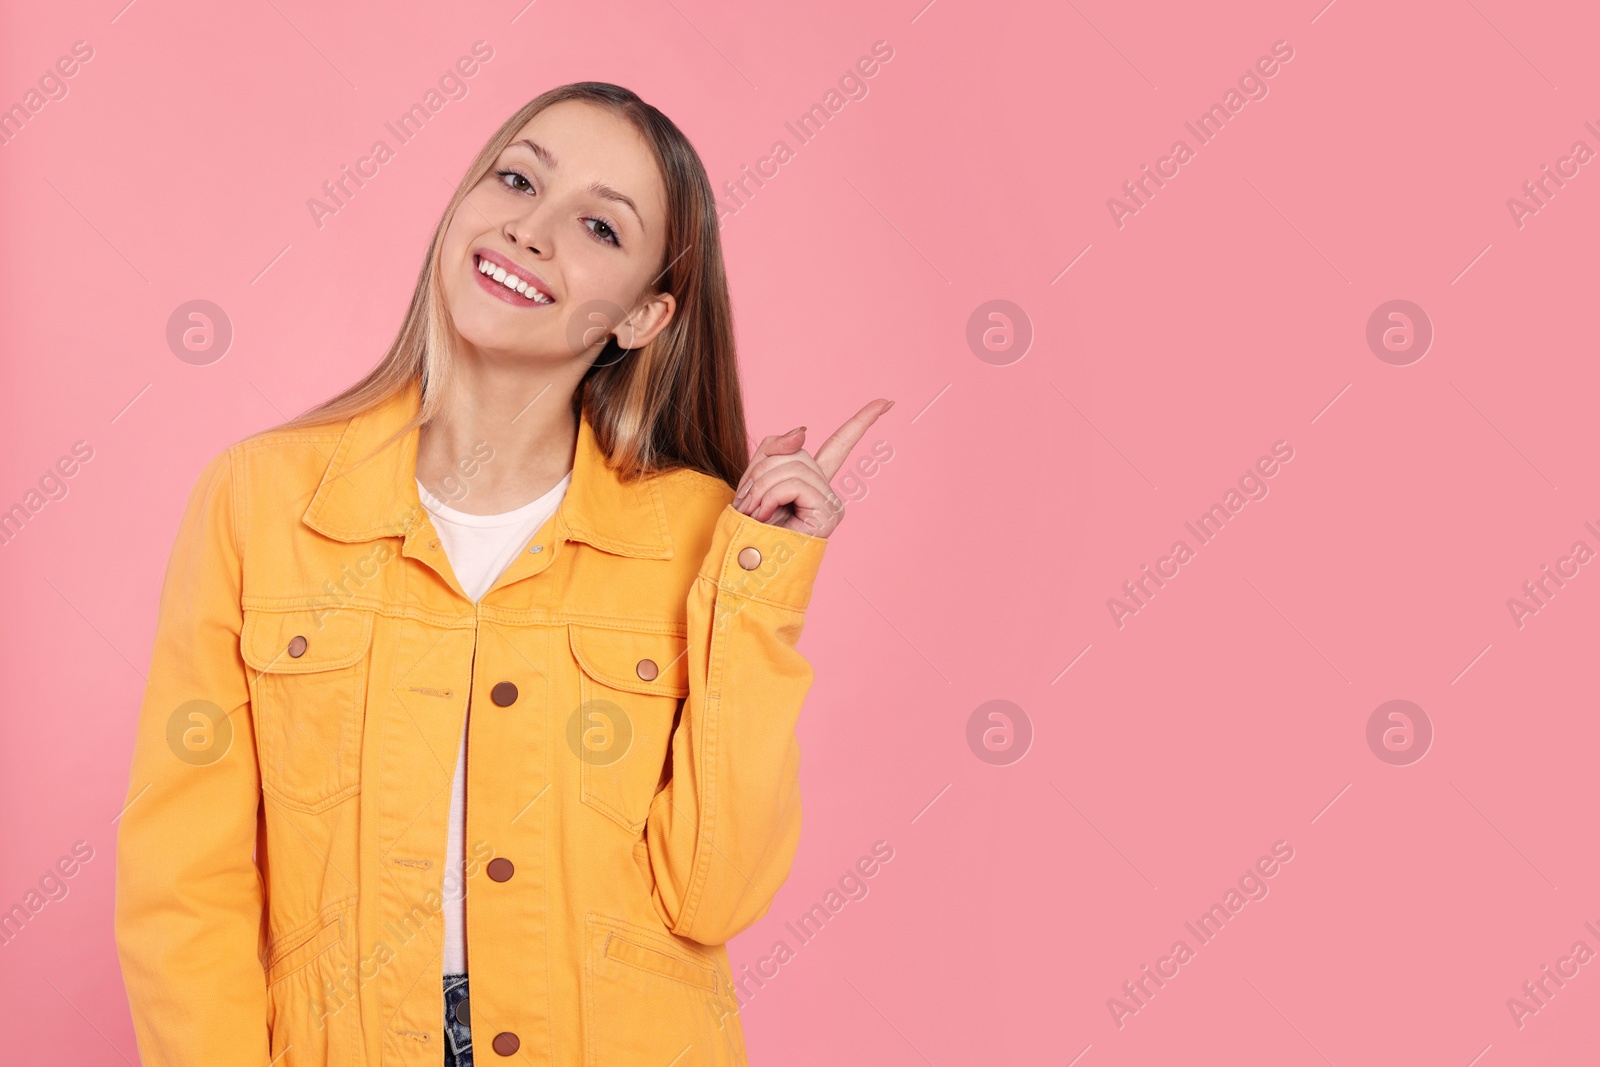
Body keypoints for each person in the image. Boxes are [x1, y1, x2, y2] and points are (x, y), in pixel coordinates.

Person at [113, 80, 890, 1067]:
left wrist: (758, 586)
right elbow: (184, 883)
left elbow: (716, 890)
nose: (530, 229)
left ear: (644, 316)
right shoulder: (259, 500)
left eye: (600, 229)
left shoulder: (699, 530)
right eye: (517, 178)